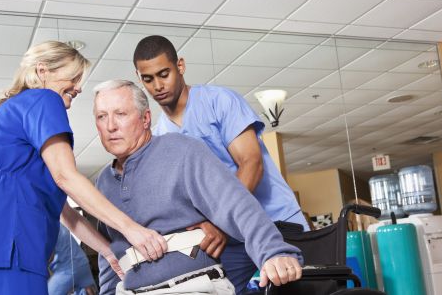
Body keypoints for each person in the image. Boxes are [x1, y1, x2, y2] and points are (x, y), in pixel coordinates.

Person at [0, 41, 169, 295]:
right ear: (42, 71)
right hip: (4, 243)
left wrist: (108, 251)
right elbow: (66, 176)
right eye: (73, 77)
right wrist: (133, 230)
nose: (79, 87)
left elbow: (66, 213)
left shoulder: (12, 115)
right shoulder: (43, 98)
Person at [132, 35, 309, 293]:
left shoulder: (219, 101)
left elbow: (251, 164)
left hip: (277, 224)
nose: (158, 85)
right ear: (140, 79)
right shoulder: (161, 136)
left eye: (164, 74)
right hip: (230, 241)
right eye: (148, 79)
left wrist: (218, 223)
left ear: (180, 66)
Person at [92, 80, 303, 295]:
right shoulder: (103, 182)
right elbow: (108, 252)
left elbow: (235, 204)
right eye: (101, 116)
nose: (110, 126)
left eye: (120, 114)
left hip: (192, 287)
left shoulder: (181, 150)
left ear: (145, 118)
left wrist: (272, 251)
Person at [49, 224, 97, 295]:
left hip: (66, 269)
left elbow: (49, 255)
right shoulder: (56, 222)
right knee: (89, 292)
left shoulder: (41, 226)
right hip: (83, 264)